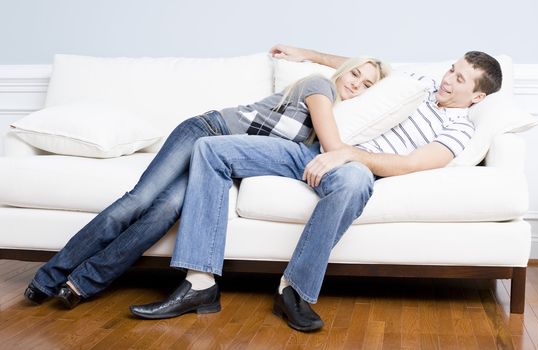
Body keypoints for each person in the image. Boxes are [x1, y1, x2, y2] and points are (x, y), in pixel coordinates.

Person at [129, 45, 503, 332]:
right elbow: (357, 65)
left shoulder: (460, 129)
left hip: (355, 166)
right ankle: (199, 283)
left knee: (355, 182)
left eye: (459, 79)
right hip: (309, 149)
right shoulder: (419, 83)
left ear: (477, 96)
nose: (447, 79)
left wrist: (345, 155)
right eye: (451, 69)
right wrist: (305, 54)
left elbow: (410, 165)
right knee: (209, 149)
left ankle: (293, 290)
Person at [24, 55, 389, 310]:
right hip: (204, 131)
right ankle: (47, 277)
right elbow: (333, 147)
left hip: (218, 160)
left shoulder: (344, 113)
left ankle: (81, 283)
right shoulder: (319, 85)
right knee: (139, 201)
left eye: (367, 84)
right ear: (344, 70)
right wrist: (312, 56)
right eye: (355, 74)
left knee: (163, 213)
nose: (357, 85)